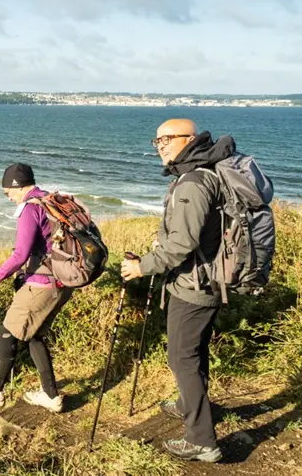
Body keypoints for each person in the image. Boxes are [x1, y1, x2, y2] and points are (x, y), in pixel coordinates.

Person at [121, 118, 232, 463]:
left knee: (181, 359)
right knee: (194, 352)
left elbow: (183, 243)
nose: (161, 145)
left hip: (193, 285)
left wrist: (143, 266)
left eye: (168, 138)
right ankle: (189, 404)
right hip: (207, 278)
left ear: (190, 139)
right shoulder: (204, 172)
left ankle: (202, 441)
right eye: (157, 140)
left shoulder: (193, 182)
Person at [0, 163, 72, 413]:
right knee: (33, 334)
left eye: (7, 193)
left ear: (17, 186)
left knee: (8, 330)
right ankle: (51, 396)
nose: (8, 198)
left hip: (44, 284)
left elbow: (20, 255)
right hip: (63, 281)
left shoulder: (29, 209)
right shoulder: (49, 200)